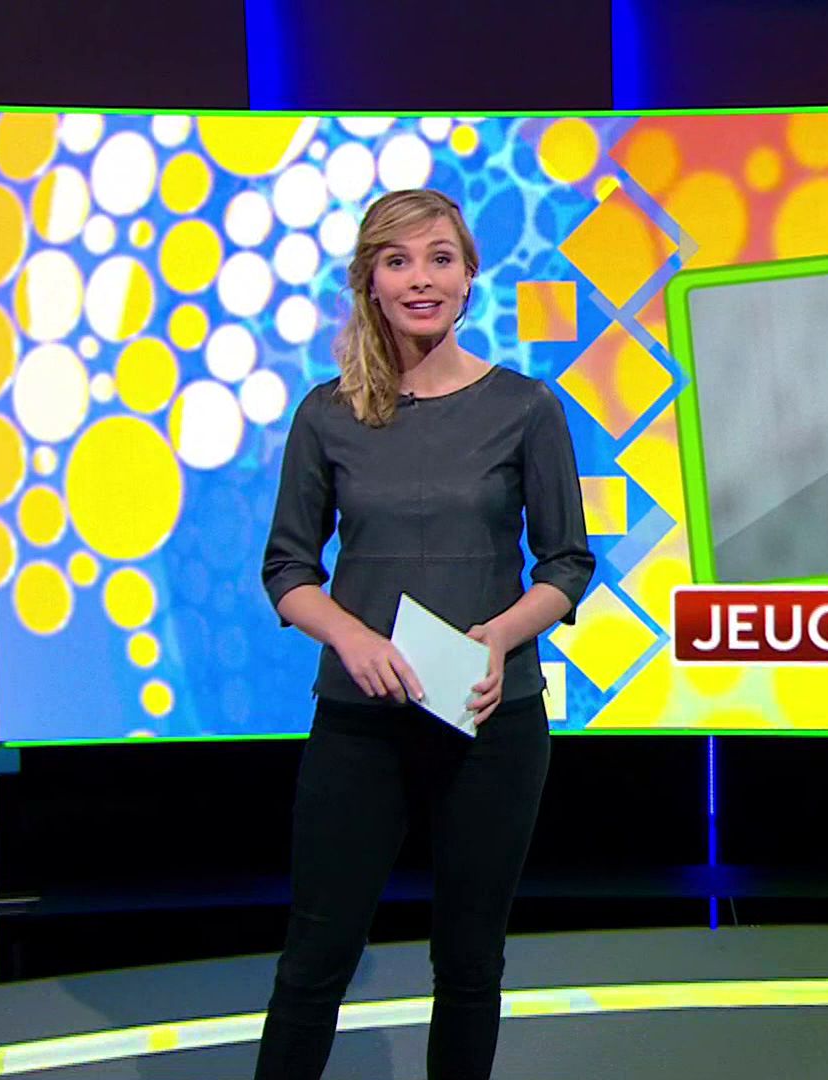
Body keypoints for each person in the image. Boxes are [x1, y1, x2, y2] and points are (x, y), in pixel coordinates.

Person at [255, 188, 593, 1080]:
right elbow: (287, 569)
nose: (420, 279)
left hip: (490, 721)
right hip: (360, 725)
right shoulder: (327, 413)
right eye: (398, 261)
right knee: (315, 961)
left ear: (470, 276)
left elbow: (566, 564)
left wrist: (498, 638)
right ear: (369, 280)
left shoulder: (526, 407)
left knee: (471, 965)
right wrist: (352, 638)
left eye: (441, 258)